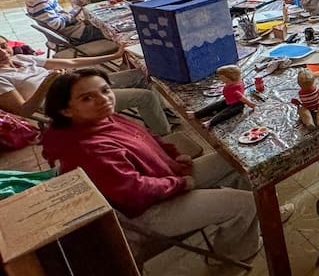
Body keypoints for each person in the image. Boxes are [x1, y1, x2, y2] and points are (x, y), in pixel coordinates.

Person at [40, 69, 262, 264]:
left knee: (236, 160)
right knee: (244, 204)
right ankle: (236, 251)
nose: (102, 100)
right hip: (148, 211)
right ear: (66, 110)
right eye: (86, 98)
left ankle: (248, 223)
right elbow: (133, 192)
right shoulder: (86, 149)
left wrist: (174, 157)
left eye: (105, 90)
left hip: (164, 180)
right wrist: (180, 183)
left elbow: (149, 137)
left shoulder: (103, 119)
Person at [0, 36, 170, 135]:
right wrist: (46, 83)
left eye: (3, 46)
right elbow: (24, 111)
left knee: (139, 74)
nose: (2, 52)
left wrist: (114, 55)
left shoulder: (20, 59)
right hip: (68, 105)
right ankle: (165, 136)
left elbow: (72, 61)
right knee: (144, 96)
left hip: (76, 86)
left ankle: (159, 115)